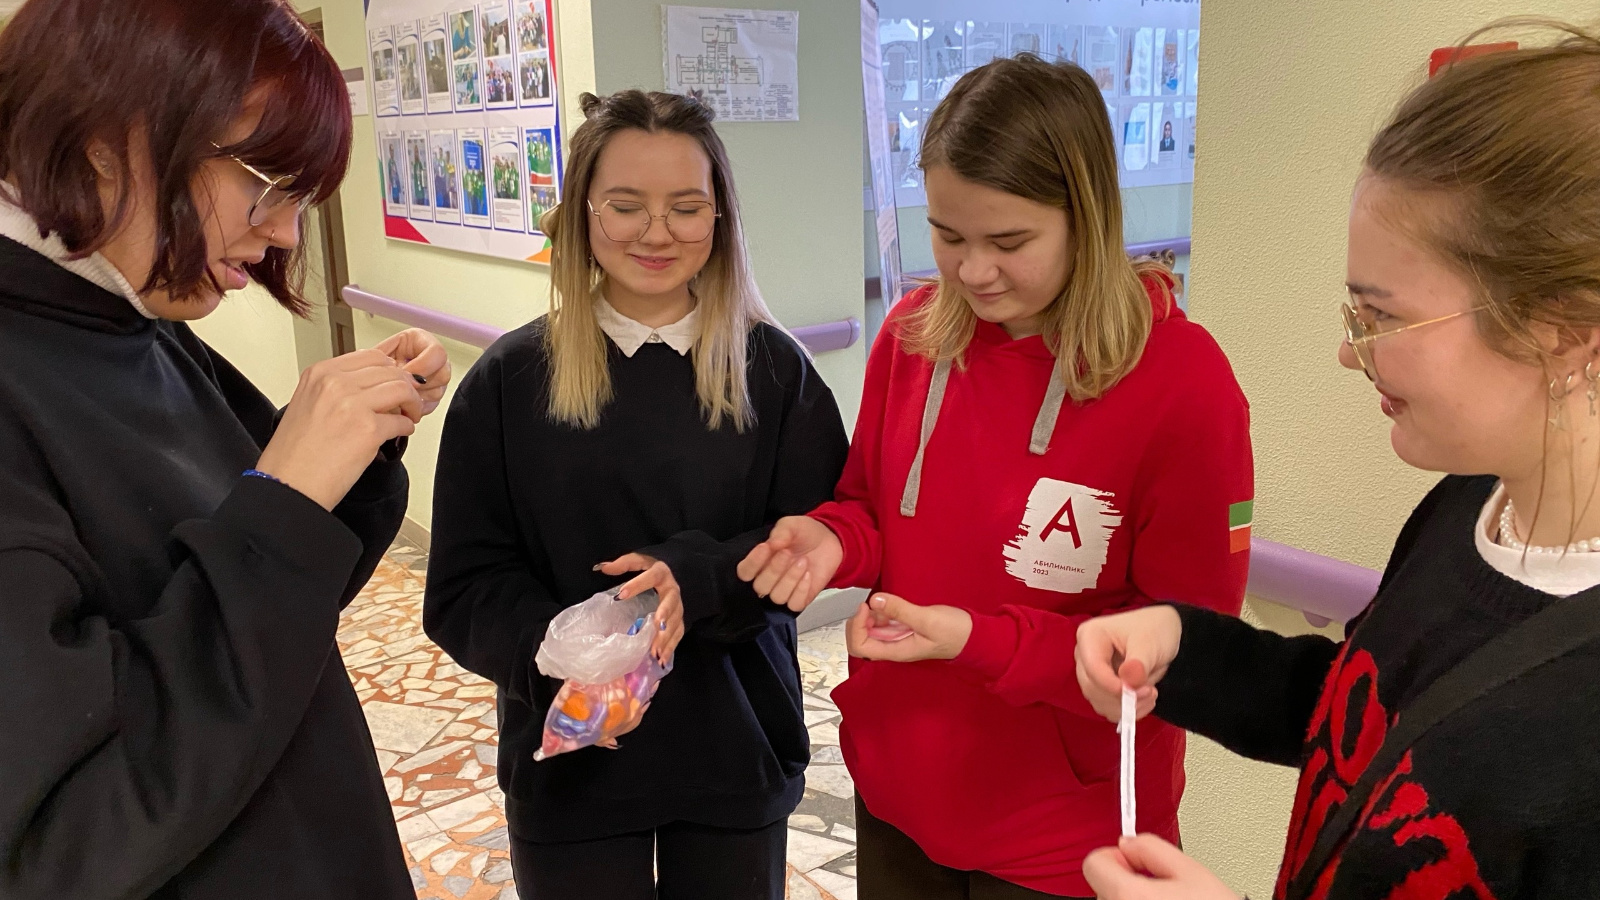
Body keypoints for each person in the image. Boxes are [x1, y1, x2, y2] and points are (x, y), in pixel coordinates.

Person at [1076, 25, 1600, 900]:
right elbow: (1367, 723)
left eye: (1383, 317)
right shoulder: (1465, 509)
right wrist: (1185, 648)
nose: (1352, 353)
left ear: (1562, 330)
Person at [739, 54, 1252, 898]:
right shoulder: (913, 337)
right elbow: (871, 505)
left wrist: (978, 641)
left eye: (1009, 243)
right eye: (948, 236)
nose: (973, 272)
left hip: (1072, 835)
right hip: (901, 787)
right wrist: (833, 540)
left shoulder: (1181, 382)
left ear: (1086, 217)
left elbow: (1183, 646)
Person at [0, 0, 453, 897]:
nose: (285, 231)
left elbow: (263, 611)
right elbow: (62, 840)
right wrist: (284, 504)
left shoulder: (128, 317)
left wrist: (354, 447)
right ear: (106, 136)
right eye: (266, 182)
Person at [424, 90, 849, 900]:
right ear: (582, 214)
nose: (657, 233)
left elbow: (816, 537)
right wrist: (562, 654)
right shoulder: (510, 382)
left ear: (720, 216)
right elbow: (464, 584)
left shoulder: (774, 373)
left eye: (685, 208)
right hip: (572, 765)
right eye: (626, 207)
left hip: (735, 747)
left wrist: (699, 580)